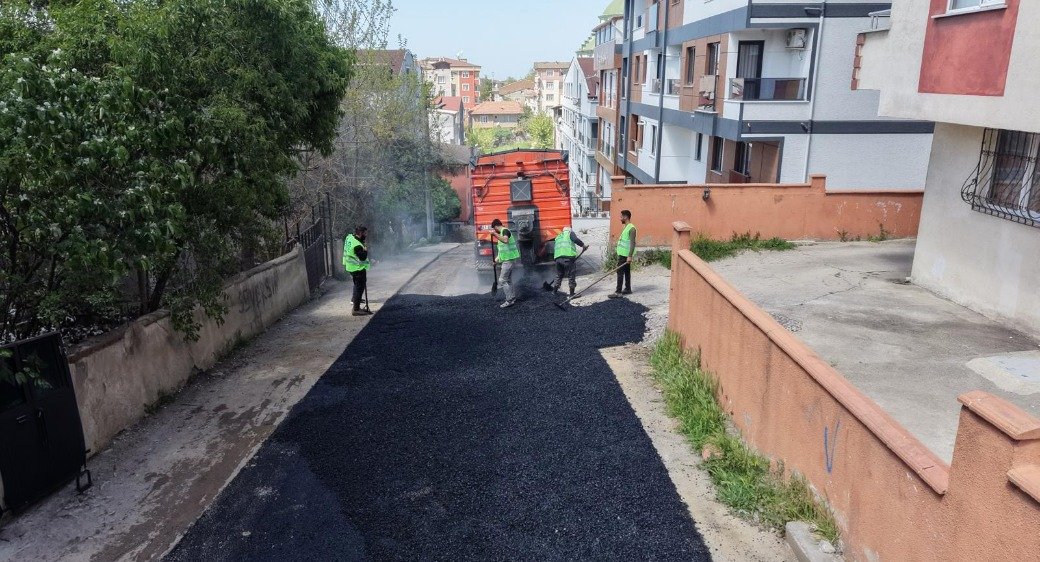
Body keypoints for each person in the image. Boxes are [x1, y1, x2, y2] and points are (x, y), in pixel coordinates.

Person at [547, 226, 587, 296]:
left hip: (557, 259)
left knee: (559, 275)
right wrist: (583, 245)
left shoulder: (559, 236)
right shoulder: (570, 233)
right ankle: (572, 294)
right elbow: (575, 239)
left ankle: (554, 292)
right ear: (570, 230)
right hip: (567, 258)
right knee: (571, 275)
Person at [490, 218, 520, 308]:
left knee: (502, 280)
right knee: (508, 280)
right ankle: (512, 297)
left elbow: (506, 241)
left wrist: (495, 234)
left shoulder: (505, 231)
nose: (494, 231)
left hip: (509, 260)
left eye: (494, 229)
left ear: (496, 226)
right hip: (508, 259)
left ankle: (509, 300)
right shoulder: (502, 233)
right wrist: (496, 260)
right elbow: (502, 251)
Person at [343, 226, 372, 316]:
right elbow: (362, 258)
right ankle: (356, 309)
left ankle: (354, 299)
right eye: (365, 233)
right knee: (359, 286)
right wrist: (366, 251)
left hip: (350, 266)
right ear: (360, 233)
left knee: (357, 285)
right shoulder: (357, 245)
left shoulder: (350, 237)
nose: (366, 235)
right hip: (357, 268)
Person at [609, 210, 636, 299]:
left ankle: (618, 292)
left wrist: (630, 256)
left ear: (625, 217)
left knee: (620, 272)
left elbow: (633, 243)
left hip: (625, 255)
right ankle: (628, 289)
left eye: (621, 217)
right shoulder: (626, 227)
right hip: (623, 254)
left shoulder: (631, 228)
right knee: (627, 271)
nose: (620, 218)